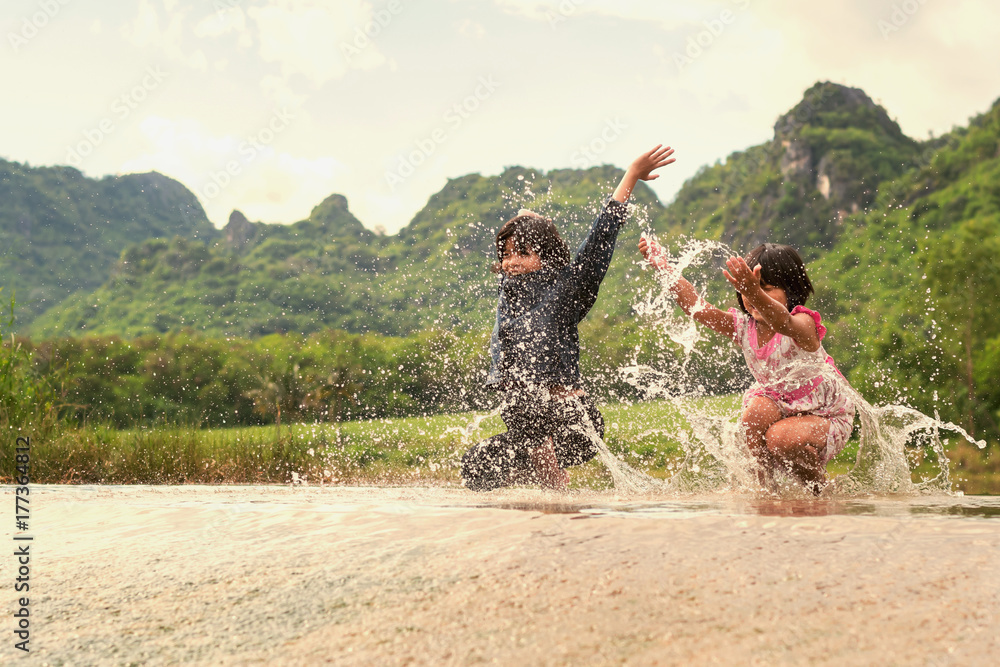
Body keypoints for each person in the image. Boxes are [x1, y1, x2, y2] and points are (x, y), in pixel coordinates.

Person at [461, 145, 676, 491]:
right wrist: (525, 222)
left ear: (545, 256)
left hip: (573, 423)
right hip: (529, 423)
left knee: (521, 399)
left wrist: (632, 175)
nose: (510, 262)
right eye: (505, 255)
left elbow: (600, 240)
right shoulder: (508, 287)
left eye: (522, 254)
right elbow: (522, 225)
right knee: (477, 466)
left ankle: (555, 485)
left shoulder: (567, 289)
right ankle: (539, 499)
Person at [638, 237, 855, 492]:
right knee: (753, 416)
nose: (753, 296)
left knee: (779, 439)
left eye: (766, 288)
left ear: (792, 290)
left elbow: (782, 322)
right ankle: (763, 493)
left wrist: (754, 291)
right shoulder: (743, 327)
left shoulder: (803, 324)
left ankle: (820, 492)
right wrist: (664, 266)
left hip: (825, 413)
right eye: (747, 289)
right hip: (779, 400)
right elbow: (696, 308)